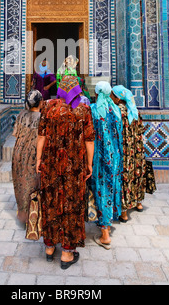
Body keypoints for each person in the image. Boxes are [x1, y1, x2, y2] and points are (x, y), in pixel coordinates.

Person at [36, 75, 95, 269]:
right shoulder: (83, 110)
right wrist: (89, 164)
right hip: (74, 166)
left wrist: (38, 160)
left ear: (61, 88)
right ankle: (67, 253)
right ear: (77, 89)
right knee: (71, 203)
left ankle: (50, 247)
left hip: (51, 164)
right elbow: (89, 140)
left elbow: (41, 135)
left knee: (51, 200)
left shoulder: (49, 107)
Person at [90, 81, 123, 249]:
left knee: (102, 189)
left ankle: (105, 234)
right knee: (112, 187)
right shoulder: (116, 110)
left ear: (97, 93)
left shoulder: (94, 110)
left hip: (100, 156)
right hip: (115, 156)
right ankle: (107, 223)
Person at [111, 85, 147, 222]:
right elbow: (141, 130)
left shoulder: (118, 111)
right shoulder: (134, 111)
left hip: (124, 150)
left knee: (125, 176)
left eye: (112, 95)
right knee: (137, 174)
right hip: (137, 149)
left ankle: (124, 213)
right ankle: (138, 203)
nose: (110, 98)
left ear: (118, 98)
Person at [12, 90, 43, 223]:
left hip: (18, 153)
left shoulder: (21, 115)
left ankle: (22, 212)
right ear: (40, 102)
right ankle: (32, 215)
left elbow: (15, 134)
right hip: (33, 154)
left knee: (20, 182)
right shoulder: (41, 117)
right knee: (32, 184)